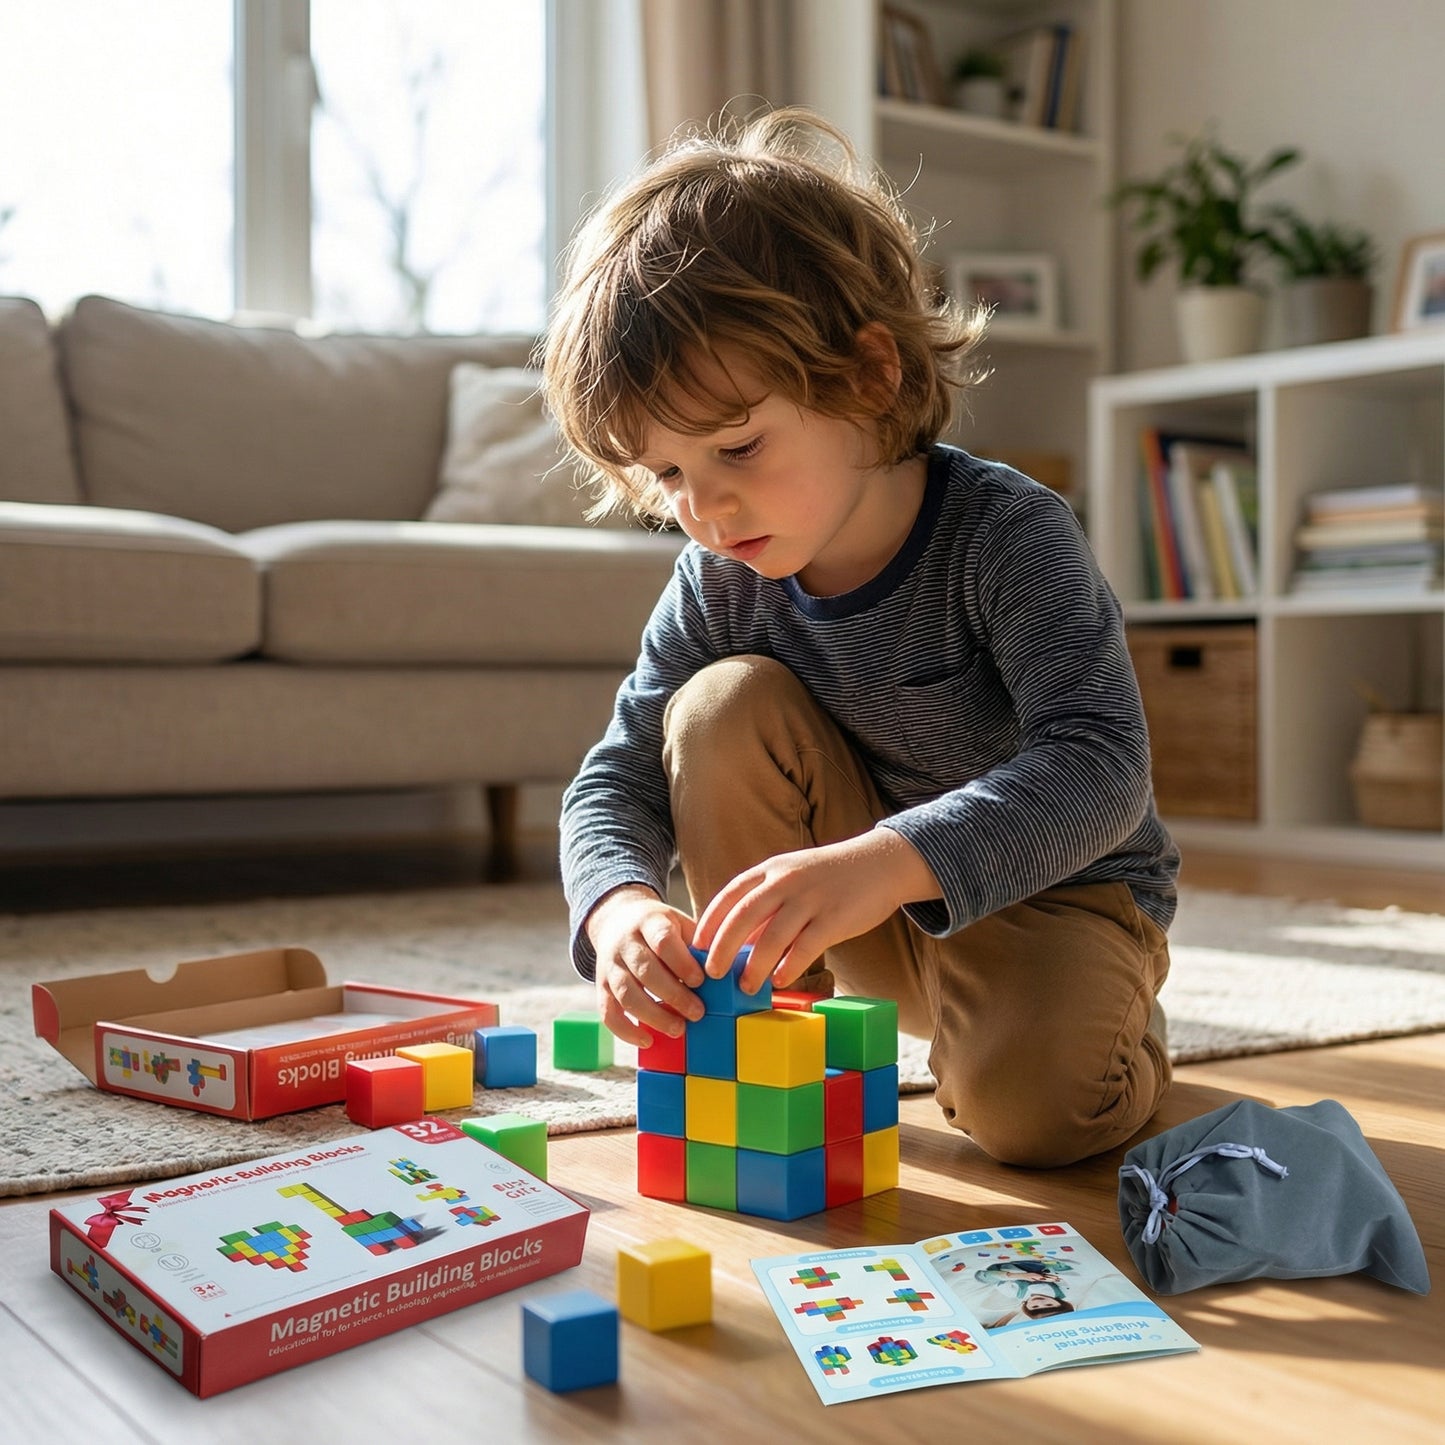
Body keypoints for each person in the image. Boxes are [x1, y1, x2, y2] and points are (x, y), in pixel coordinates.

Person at [540, 105, 1179, 1169]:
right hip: (845, 915)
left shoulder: (1007, 531)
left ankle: (1121, 1033)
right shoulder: (718, 572)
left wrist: (884, 863)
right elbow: (614, 776)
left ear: (869, 375)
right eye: (667, 475)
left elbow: (1101, 764)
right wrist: (618, 911)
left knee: (1031, 1118)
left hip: (1052, 899)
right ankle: (789, 1037)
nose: (703, 508)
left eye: (737, 446)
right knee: (715, 703)